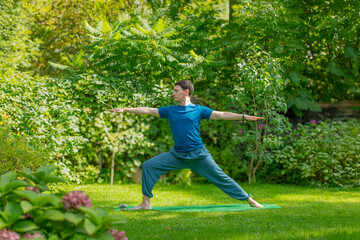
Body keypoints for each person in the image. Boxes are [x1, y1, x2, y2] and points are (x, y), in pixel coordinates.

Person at [108, 80, 264, 210]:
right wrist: (125, 109)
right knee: (149, 166)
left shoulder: (198, 110)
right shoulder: (170, 111)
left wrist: (243, 117)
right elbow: (149, 110)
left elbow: (222, 114)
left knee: (221, 178)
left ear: (186, 91)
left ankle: (249, 199)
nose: (173, 93)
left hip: (198, 155)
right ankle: (145, 203)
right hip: (177, 155)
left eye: (176, 91)